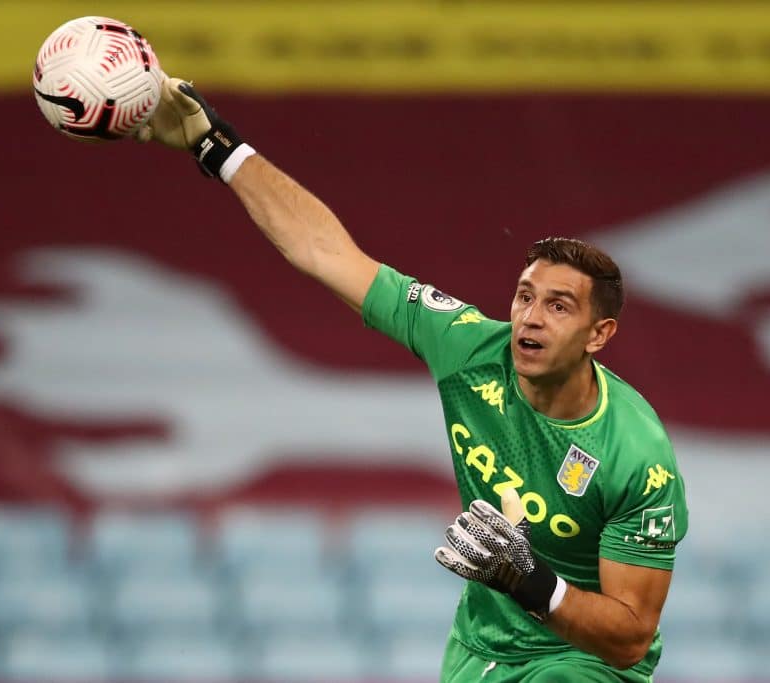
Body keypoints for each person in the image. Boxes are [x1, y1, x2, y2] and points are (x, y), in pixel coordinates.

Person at [138, 77, 688, 682]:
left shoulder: (636, 453)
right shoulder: (468, 347)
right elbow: (328, 254)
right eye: (525, 296)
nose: (530, 317)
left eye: (559, 306)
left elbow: (631, 637)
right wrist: (217, 148)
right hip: (481, 649)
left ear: (599, 334)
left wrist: (531, 582)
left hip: (582, 663)